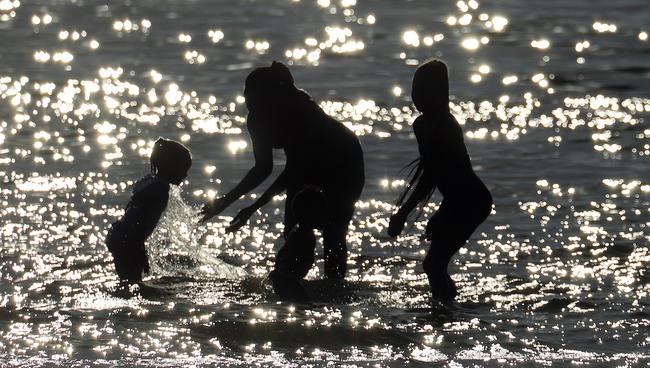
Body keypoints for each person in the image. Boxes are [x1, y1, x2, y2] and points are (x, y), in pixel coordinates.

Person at [200, 61, 364, 280]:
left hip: (344, 163)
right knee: (293, 229)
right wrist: (225, 201)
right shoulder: (256, 119)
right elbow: (263, 168)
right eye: (248, 98)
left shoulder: (301, 109)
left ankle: (334, 289)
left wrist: (254, 207)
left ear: (274, 98)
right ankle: (291, 289)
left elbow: (294, 170)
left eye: (257, 100)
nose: (251, 106)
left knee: (334, 232)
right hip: (302, 168)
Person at [387, 59, 492, 301]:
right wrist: (441, 212)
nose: (416, 96)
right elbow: (432, 172)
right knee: (435, 265)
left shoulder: (447, 126)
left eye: (423, 90)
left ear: (438, 93)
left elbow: (435, 176)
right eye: (414, 90)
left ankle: (444, 313)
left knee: (434, 264)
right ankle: (449, 307)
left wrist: (404, 213)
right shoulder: (421, 125)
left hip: (473, 201)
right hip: (456, 200)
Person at [106, 138, 192, 283]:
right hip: (128, 240)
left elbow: (132, 212)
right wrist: (140, 250)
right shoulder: (160, 189)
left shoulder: (150, 181)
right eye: (183, 169)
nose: (185, 175)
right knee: (133, 283)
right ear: (172, 166)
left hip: (119, 235)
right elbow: (140, 220)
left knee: (128, 282)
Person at [268, 186, 327, 302]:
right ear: (311, 215)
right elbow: (285, 255)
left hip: (288, 279)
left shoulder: (300, 233)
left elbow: (281, 254)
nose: (326, 216)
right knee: (306, 305)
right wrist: (283, 274)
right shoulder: (303, 236)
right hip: (289, 281)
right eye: (322, 212)